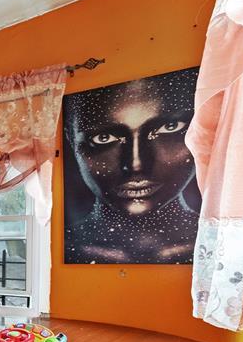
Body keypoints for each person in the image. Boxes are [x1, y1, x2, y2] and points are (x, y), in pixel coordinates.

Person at [63, 69, 201, 264]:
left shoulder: (224, 245)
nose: (136, 164)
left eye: (169, 128)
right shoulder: (66, 249)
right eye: (104, 138)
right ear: (71, 140)